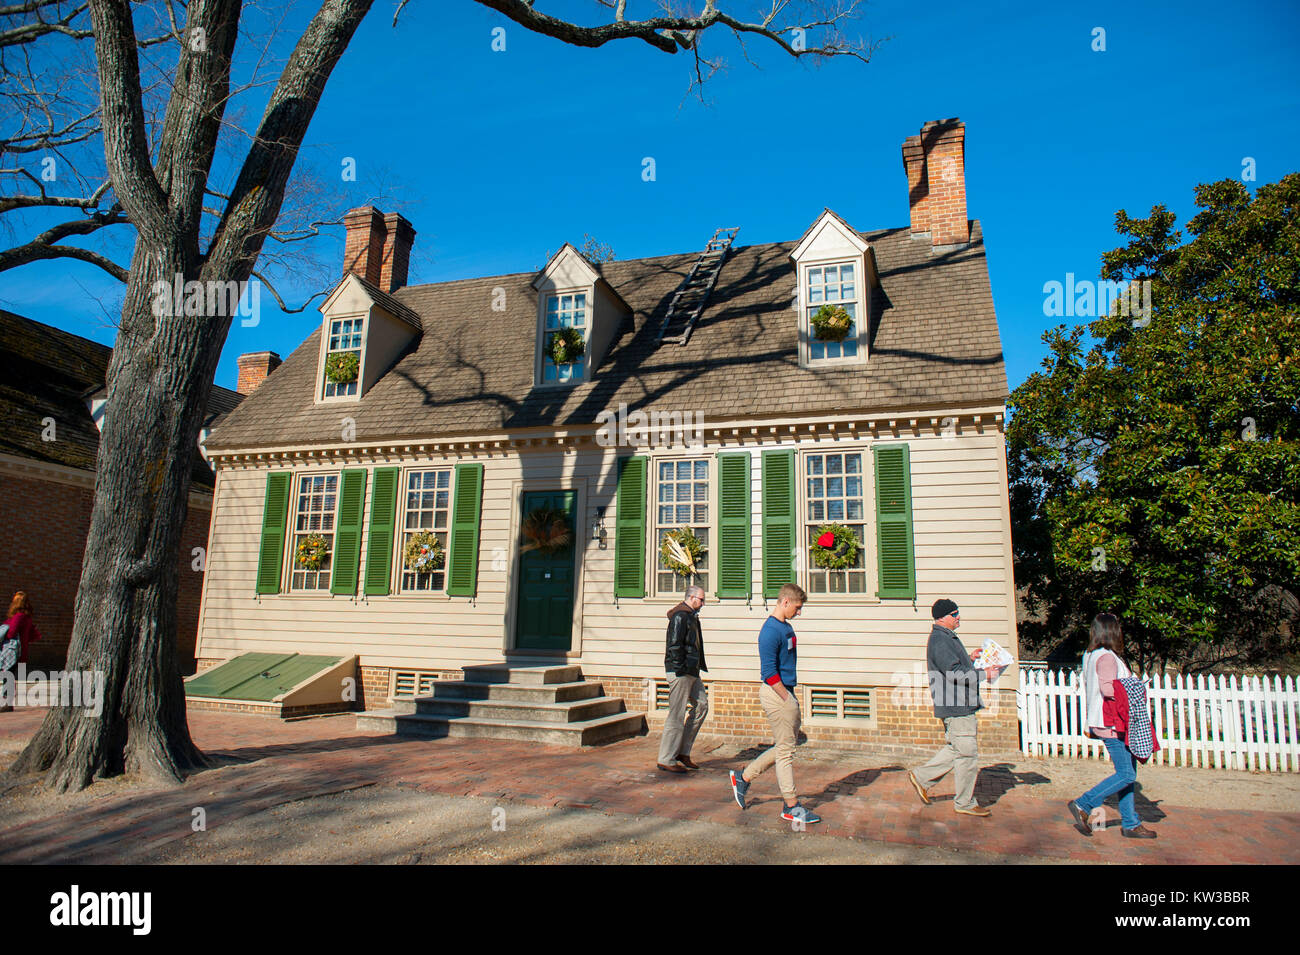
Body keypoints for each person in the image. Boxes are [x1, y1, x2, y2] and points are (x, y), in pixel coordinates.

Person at [728, 583, 820, 825]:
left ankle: (743, 778)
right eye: (797, 608)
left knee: (784, 746)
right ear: (785, 602)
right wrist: (786, 698)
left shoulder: (785, 627)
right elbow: (768, 672)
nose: (799, 613)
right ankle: (791, 806)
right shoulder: (769, 631)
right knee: (786, 751)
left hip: (785, 691)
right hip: (776, 693)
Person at [907, 598, 1004, 817]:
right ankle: (965, 803)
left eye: (958, 612)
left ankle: (921, 777)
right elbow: (953, 673)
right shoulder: (941, 640)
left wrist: (969, 658)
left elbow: (953, 666)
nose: (958, 616)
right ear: (942, 617)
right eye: (954, 613)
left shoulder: (946, 637)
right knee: (967, 755)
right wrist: (984, 674)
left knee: (956, 748)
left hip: (957, 703)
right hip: (956, 704)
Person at [1066, 613, 1157, 839]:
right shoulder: (1107, 657)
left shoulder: (1091, 655)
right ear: (1112, 631)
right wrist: (1135, 686)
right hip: (1112, 723)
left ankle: (1131, 823)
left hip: (1106, 720)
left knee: (1128, 774)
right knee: (1126, 774)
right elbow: (1109, 689)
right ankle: (1084, 803)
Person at [657, 584, 709, 773]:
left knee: (702, 705)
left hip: (692, 671)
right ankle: (666, 758)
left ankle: (682, 752)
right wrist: (679, 670)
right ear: (692, 597)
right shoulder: (680, 616)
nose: (703, 603)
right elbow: (674, 645)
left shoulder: (691, 617)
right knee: (676, 714)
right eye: (701, 599)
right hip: (681, 671)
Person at [1, 591, 43, 711]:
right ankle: (8, 702)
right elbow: (34, 635)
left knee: (7, 675)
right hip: (21, 652)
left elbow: (11, 632)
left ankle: (6, 702)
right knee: (9, 675)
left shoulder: (18, 617)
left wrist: (5, 631)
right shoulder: (27, 618)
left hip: (12, 652)